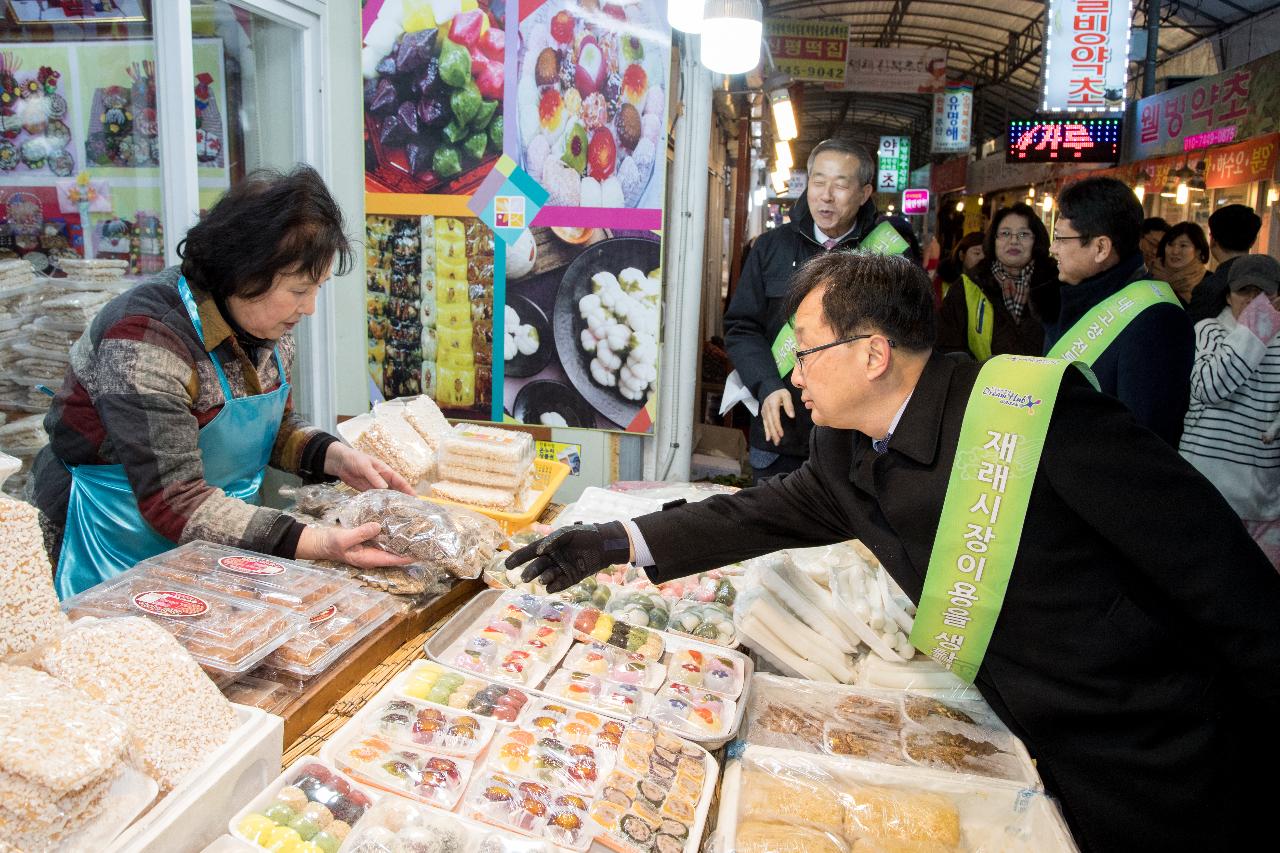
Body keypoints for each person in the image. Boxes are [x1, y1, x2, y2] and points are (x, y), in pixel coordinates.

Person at [506, 251, 1280, 852]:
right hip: (1032, 737)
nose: (793, 373)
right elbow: (766, 510)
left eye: (805, 350)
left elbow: (1211, 565)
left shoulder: (1032, 414)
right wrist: (617, 539)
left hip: (1161, 744)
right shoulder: (846, 444)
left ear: (872, 352)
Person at [31, 166, 413, 598]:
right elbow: (175, 500)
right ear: (244, 272)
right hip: (106, 538)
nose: (309, 308)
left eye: (318, 287)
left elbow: (269, 430)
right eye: (299, 290)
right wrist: (319, 542)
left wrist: (334, 456)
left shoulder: (266, 327)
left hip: (205, 533)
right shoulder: (145, 337)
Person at [723, 138, 917, 484]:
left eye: (841, 184)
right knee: (773, 532)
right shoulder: (771, 247)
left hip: (858, 438)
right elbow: (741, 326)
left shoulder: (889, 256)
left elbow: (906, 339)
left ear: (864, 192)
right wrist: (766, 383)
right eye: (818, 181)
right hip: (781, 431)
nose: (826, 195)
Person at [1039, 176, 1193, 446]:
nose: (1053, 250)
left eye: (1060, 238)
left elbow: (1147, 441)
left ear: (1101, 248)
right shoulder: (1065, 300)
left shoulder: (1157, 319)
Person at [1181, 254, 1280, 568]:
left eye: (1261, 293)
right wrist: (1253, 333)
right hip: (1206, 491)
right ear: (1228, 295)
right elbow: (1210, 387)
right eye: (1244, 292)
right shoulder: (1209, 332)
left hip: (1264, 502)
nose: (1252, 301)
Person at [936, 203, 1057, 360]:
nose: (1014, 241)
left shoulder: (1055, 284)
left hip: (1046, 382)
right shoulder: (967, 286)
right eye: (1005, 233)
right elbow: (946, 346)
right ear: (993, 240)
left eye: (1023, 234)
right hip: (981, 383)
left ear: (1036, 240)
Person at [1188, 204, 1264, 323]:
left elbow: (1195, 334)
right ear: (1253, 241)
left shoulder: (1209, 288)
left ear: (1212, 240)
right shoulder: (1268, 281)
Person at [1157, 221, 1210, 305]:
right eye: (1170, 244)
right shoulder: (1150, 276)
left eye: (1183, 245)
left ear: (1198, 251)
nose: (1175, 251)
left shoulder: (1210, 283)